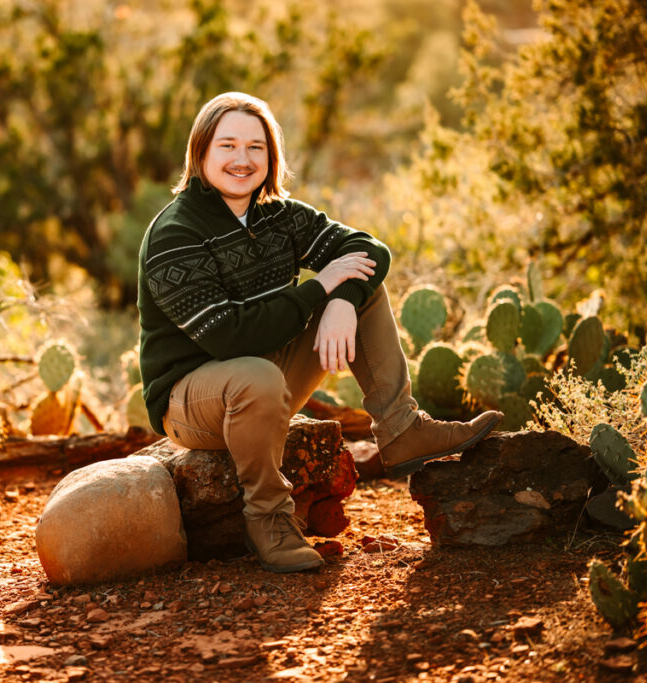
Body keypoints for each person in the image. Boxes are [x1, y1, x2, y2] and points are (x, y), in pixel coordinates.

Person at [136, 92, 501, 574]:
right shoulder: (174, 233)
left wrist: (342, 301)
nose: (242, 160)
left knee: (362, 287)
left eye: (255, 148)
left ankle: (401, 429)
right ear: (200, 153)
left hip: (266, 373)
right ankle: (267, 518)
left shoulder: (279, 216)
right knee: (255, 374)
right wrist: (319, 290)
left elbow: (367, 249)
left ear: (271, 156)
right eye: (227, 146)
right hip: (193, 398)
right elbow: (228, 337)